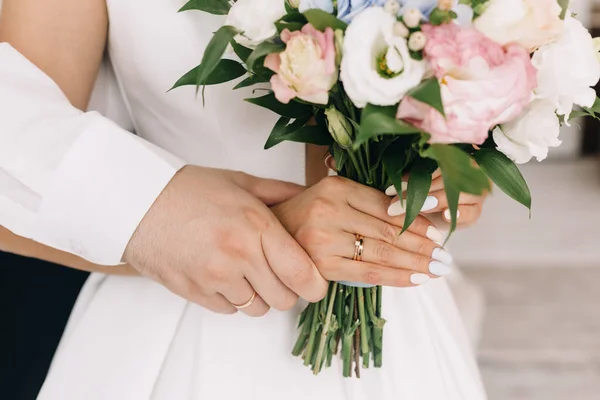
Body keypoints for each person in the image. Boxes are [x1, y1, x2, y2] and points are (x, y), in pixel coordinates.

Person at [0, 1, 488, 399]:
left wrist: (447, 161)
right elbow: (15, 159)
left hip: (399, 330)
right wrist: (158, 218)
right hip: (181, 328)